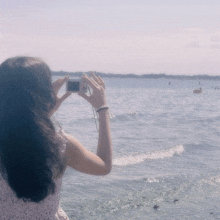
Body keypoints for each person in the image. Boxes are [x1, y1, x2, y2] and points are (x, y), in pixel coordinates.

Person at [0, 56, 112, 219]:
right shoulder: (60, 145)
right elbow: (104, 166)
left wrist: (41, 114)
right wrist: (103, 109)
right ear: (46, 93)